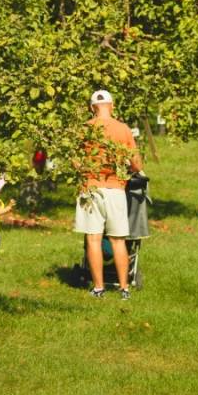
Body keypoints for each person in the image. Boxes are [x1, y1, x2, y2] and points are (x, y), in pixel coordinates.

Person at [75, 89, 142, 299]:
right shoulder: (123, 129)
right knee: (118, 240)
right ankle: (124, 289)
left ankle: (98, 288)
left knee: (94, 239)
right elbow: (136, 164)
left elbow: (75, 161)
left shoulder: (84, 129)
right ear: (112, 106)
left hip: (90, 188)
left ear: (91, 108)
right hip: (116, 189)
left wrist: (85, 170)